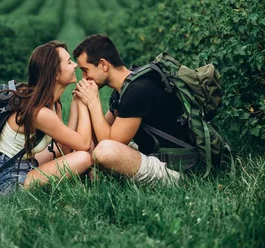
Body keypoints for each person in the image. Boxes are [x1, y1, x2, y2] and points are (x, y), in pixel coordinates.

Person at [73, 34, 186, 186]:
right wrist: (82, 103)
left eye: (85, 70)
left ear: (103, 65)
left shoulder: (137, 90)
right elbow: (96, 135)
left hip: (177, 167)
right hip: (154, 155)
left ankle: (178, 181)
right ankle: (88, 180)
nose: (84, 77)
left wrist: (93, 102)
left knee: (104, 151)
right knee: (90, 149)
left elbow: (110, 143)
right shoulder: (124, 88)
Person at [0, 41, 93, 195]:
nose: (75, 66)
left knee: (80, 152)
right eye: (69, 62)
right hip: (10, 180)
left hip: (26, 164)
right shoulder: (40, 113)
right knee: (84, 157)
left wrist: (75, 105)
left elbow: (64, 148)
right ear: (55, 74)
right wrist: (85, 104)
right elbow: (83, 144)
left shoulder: (52, 104)